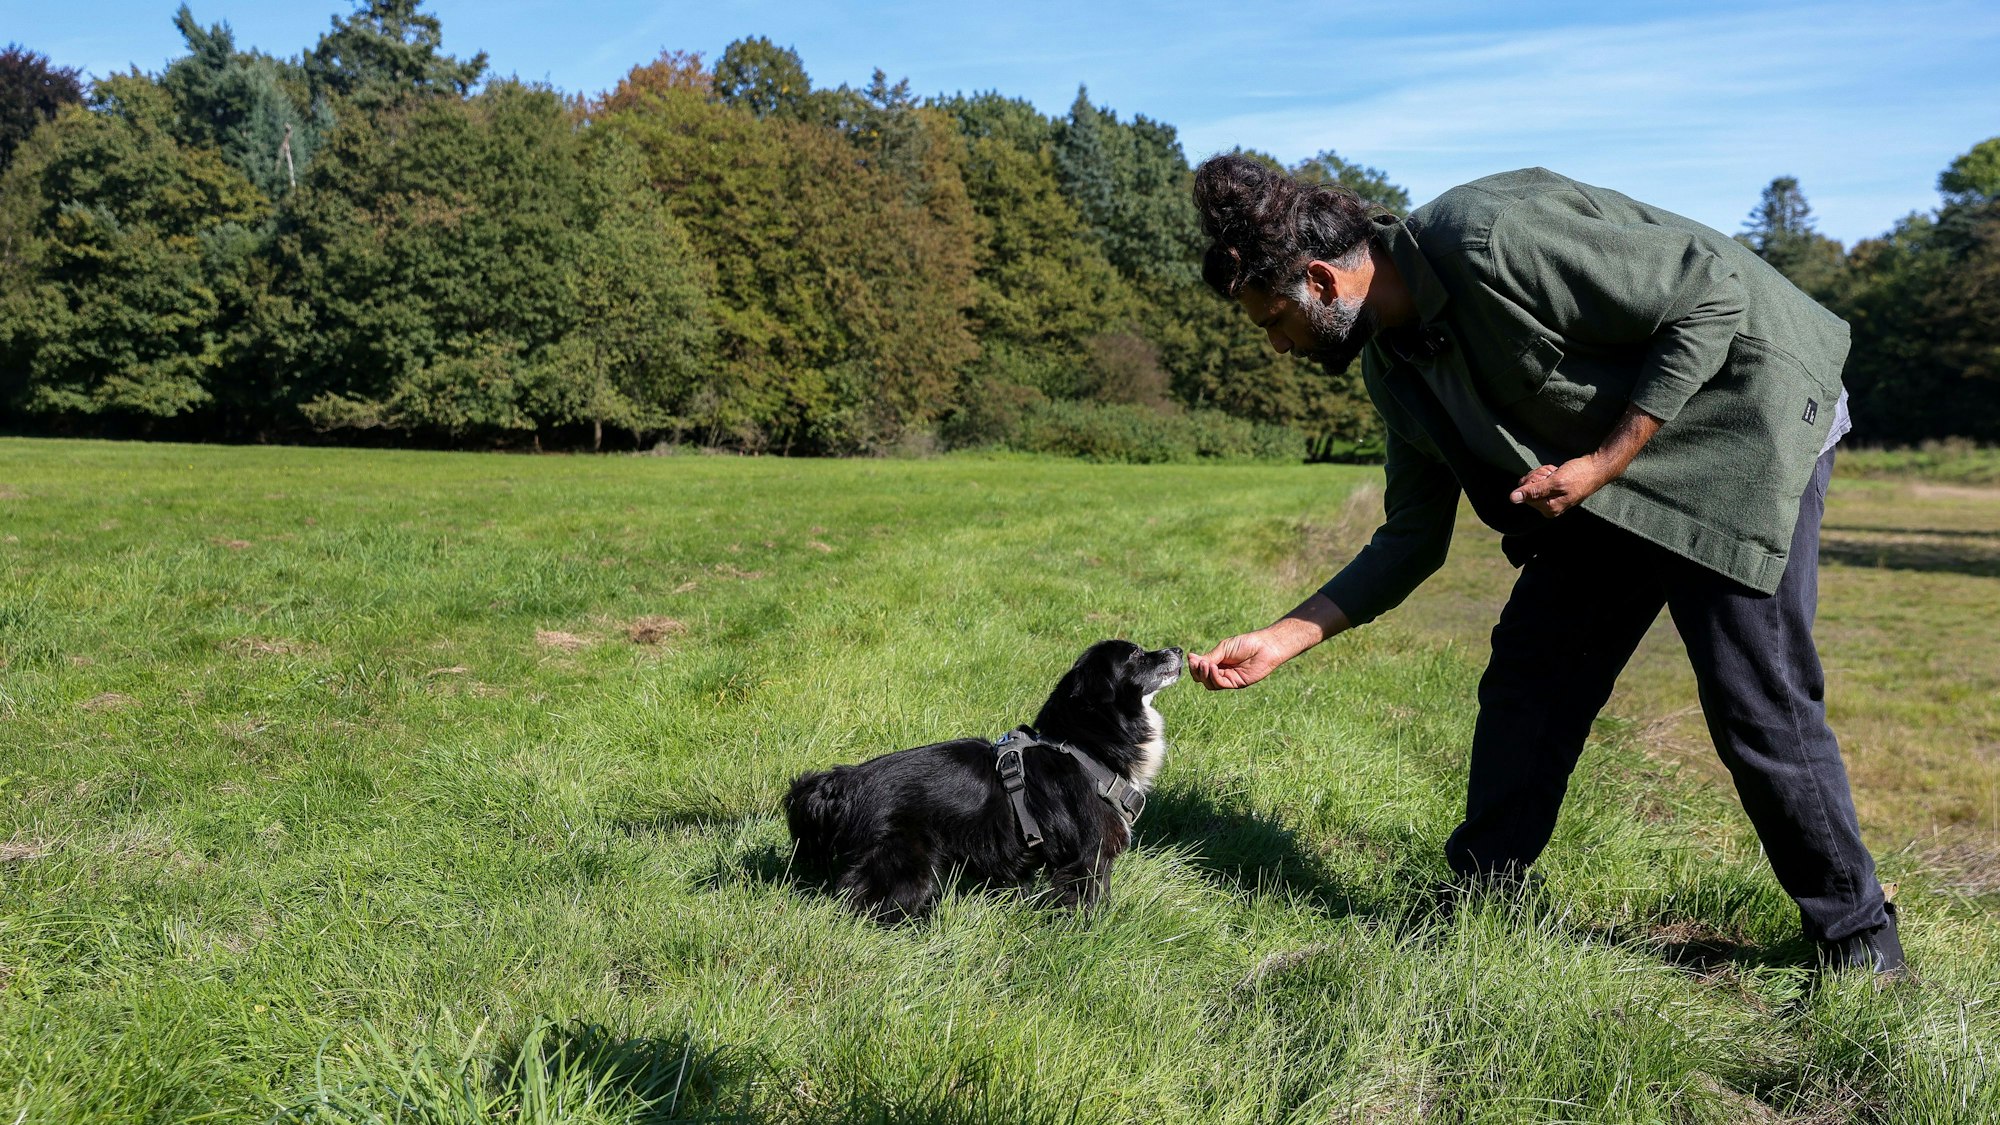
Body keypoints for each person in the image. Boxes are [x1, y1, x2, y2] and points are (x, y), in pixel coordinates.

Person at [1186, 155, 1906, 976]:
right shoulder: (1397, 371)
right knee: (1535, 665)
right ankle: (1486, 899)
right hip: (1608, 474)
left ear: (1320, 280)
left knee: (1755, 696)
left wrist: (1600, 462)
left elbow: (1711, 294)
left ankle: (1861, 947)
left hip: (1746, 414)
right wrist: (1282, 638)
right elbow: (1411, 541)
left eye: (1271, 319)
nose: (1276, 346)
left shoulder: (1487, 239)